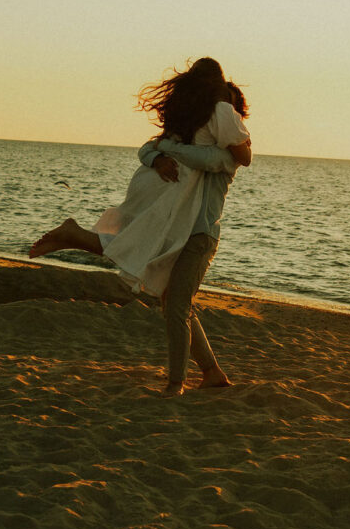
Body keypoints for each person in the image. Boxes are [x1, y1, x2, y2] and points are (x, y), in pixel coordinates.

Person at [28, 58, 252, 395]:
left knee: (173, 301)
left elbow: (208, 159)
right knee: (174, 301)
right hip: (185, 228)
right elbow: (148, 148)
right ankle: (190, 379)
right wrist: (158, 153)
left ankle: (204, 374)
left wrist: (166, 148)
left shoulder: (223, 156)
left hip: (196, 233)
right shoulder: (196, 138)